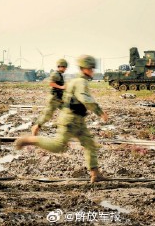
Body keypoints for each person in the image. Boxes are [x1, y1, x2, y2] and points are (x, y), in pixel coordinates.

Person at [15, 55, 109, 183]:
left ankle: (95, 174)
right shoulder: (80, 82)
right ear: (84, 69)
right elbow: (85, 99)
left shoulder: (75, 81)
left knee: (90, 145)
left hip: (78, 120)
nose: (93, 71)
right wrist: (100, 112)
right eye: (91, 68)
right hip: (70, 120)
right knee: (58, 146)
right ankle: (30, 140)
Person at [31, 59, 68, 136]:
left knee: (68, 111)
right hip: (54, 99)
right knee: (47, 116)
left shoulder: (59, 74)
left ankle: (66, 130)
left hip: (59, 99)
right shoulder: (55, 74)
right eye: (64, 67)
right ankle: (35, 128)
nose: (65, 69)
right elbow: (51, 83)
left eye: (65, 67)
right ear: (60, 66)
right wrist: (61, 87)